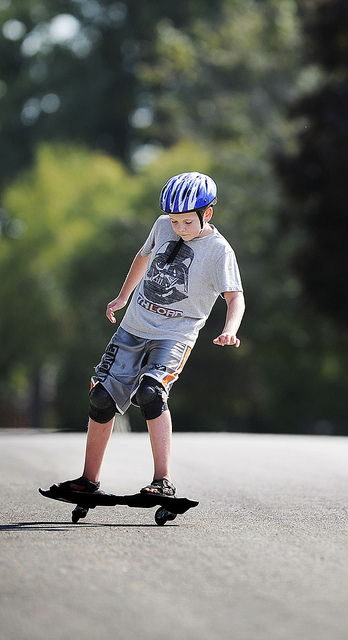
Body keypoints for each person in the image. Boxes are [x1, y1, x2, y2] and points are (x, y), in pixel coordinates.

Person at [51, 172, 245, 497]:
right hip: (132, 327)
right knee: (101, 397)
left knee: (150, 393)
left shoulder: (219, 251)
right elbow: (143, 257)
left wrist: (230, 329)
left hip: (175, 336)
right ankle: (88, 481)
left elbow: (235, 297)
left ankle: (162, 481)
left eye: (187, 221)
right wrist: (122, 297)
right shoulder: (162, 226)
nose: (179, 228)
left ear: (207, 213)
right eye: (175, 221)